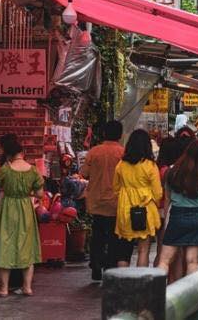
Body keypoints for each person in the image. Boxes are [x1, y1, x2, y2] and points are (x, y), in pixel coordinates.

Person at [0, 134, 44, 297]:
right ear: (22, 152)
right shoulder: (33, 170)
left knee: (5, 244)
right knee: (26, 246)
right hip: (26, 207)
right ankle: (27, 287)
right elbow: (40, 194)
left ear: (8, 154)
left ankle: (4, 289)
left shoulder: (6, 169)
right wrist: (28, 192)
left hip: (8, 207)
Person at [157, 140, 198, 277]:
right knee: (192, 261)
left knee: (164, 260)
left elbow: (168, 200)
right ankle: (191, 295)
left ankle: (156, 293)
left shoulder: (172, 172)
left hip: (177, 216)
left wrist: (166, 223)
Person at [80, 120, 125, 281]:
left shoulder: (94, 152)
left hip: (96, 200)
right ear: (120, 135)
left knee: (97, 234)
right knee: (114, 235)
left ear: (104, 133)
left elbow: (84, 173)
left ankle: (96, 263)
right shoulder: (123, 153)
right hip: (116, 202)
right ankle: (109, 266)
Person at [113, 129, 163, 267]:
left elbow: (115, 188)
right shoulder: (150, 166)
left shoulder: (121, 165)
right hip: (145, 210)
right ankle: (141, 284)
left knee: (123, 249)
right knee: (143, 250)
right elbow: (158, 193)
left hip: (125, 209)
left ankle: (122, 284)